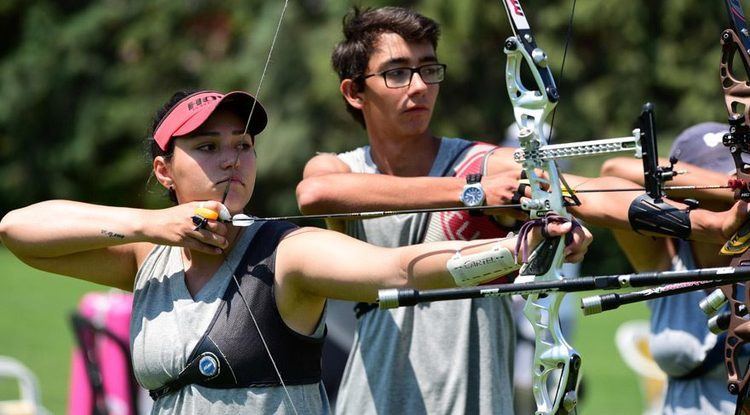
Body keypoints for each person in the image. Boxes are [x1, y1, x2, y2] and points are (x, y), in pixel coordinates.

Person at [0, 89, 592, 414]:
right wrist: (155, 225)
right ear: (164, 170)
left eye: (244, 144)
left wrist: (518, 250)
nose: (232, 158)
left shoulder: (286, 252)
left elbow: (396, 269)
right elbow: (18, 230)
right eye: (208, 146)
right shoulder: (145, 258)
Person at [296, 7, 530, 414]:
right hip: (373, 398)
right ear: (354, 92)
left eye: (428, 69)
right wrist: (470, 193)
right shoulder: (341, 169)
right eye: (398, 72)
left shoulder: (484, 162)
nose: (419, 86)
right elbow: (315, 192)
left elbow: (580, 191)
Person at [600, 122, 748, 415]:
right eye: (715, 187)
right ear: (680, 194)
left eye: (736, 176)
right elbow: (613, 173)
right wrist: (730, 187)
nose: (732, 198)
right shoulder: (667, 261)